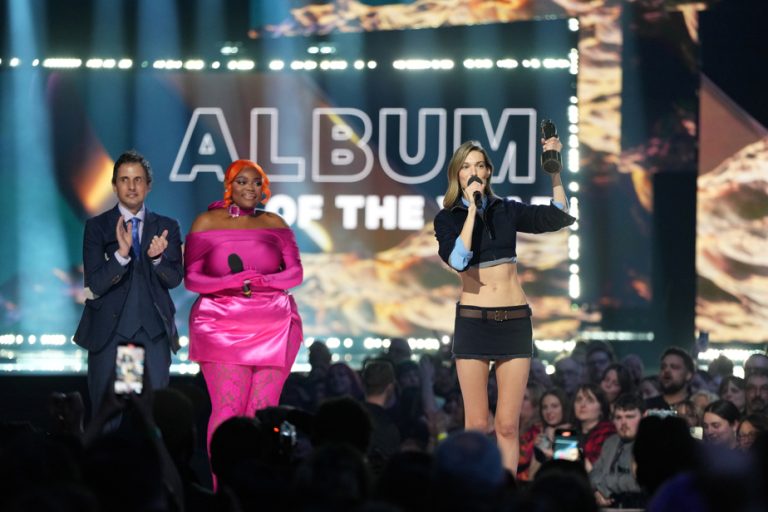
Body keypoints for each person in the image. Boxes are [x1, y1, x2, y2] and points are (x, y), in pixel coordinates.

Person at [433, 138, 575, 473]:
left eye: (480, 165)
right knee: (477, 425)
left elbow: (560, 216)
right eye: (467, 166)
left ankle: (507, 497)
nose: (474, 172)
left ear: (489, 171)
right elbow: (458, 259)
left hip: (513, 321)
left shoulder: (507, 210)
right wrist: (471, 210)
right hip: (472, 323)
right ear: (457, 173)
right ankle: (474, 496)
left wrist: (555, 172)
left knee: (507, 426)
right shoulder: (447, 218)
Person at [184, 159, 303, 455]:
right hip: (221, 324)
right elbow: (192, 278)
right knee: (228, 409)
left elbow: (295, 274)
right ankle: (224, 488)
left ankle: (256, 486)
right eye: (242, 181)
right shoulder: (206, 222)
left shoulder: (275, 223)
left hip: (273, 325)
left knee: (263, 412)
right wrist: (230, 282)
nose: (250, 188)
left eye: (256, 182)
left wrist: (264, 280)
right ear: (229, 185)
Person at [74, 150, 183, 418]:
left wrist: (158, 260)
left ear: (148, 185)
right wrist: (121, 256)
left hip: (152, 334)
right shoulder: (98, 227)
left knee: (150, 419)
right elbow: (96, 284)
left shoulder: (167, 226)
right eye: (124, 179)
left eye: (138, 179)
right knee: (110, 418)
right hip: (112, 335)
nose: (131, 186)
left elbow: (175, 279)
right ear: (114, 185)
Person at [589, 393, 645, 509]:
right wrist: (597, 492)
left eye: (629, 417)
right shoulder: (611, 442)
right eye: (618, 417)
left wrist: (604, 485)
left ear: (644, 417)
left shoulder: (651, 442)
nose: (623, 423)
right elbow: (593, 475)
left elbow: (641, 482)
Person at [644, 346, 694, 411]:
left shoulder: (697, 406)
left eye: (674, 367)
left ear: (688, 375)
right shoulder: (646, 407)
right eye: (663, 367)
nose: (666, 370)